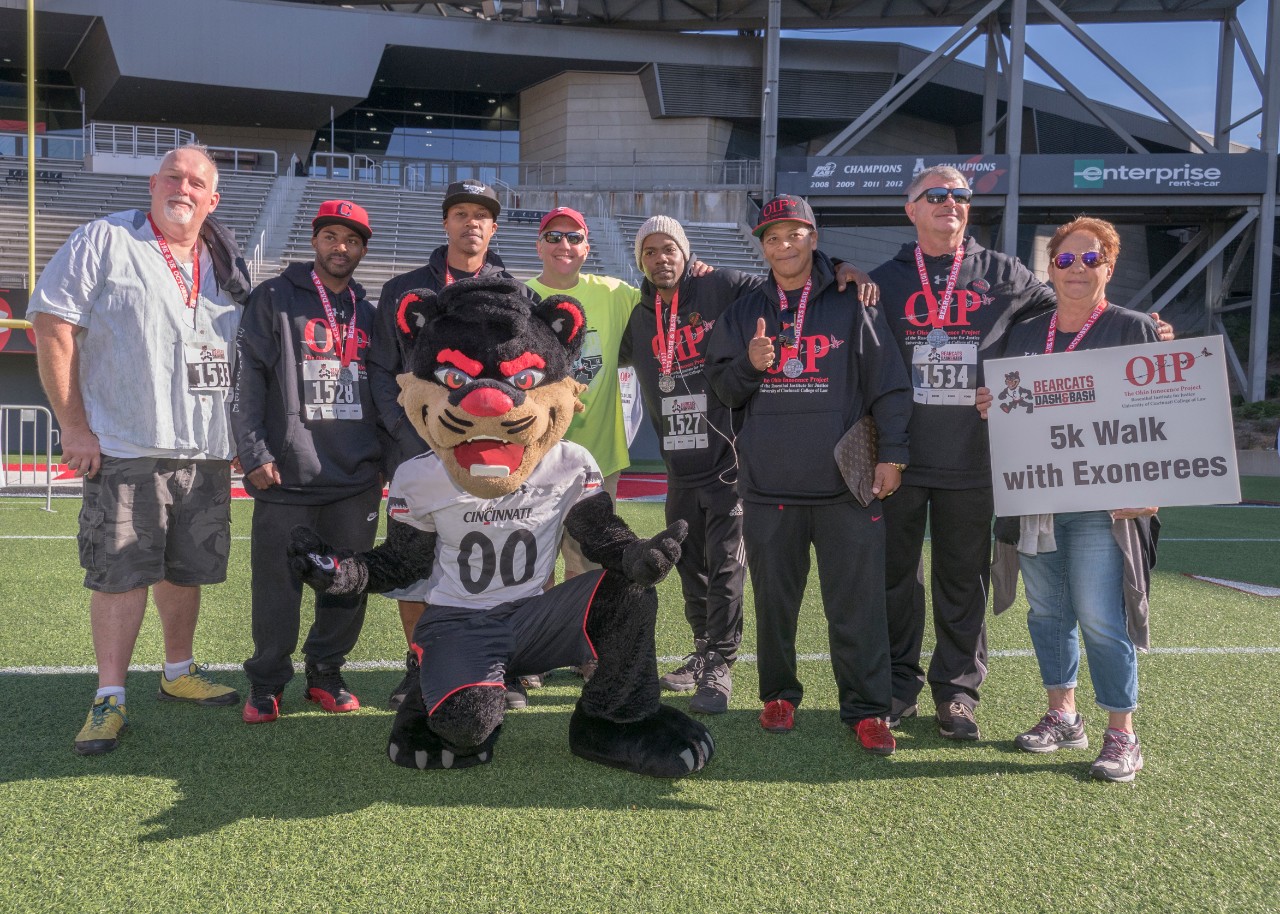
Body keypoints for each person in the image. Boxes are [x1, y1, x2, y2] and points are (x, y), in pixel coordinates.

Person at [869, 166, 1170, 741]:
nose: (950, 203)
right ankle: (895, 687)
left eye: (960, 195)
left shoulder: (1005, 273)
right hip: (901, 457)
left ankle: (957, 694)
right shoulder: (883, 280)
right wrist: (844, 271)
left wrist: (1143, 328)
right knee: (893, 581)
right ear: (911, 209)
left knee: (963, 582)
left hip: (979, 459)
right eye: (936, 196)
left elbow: (1077, 304)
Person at [29, 144, 246, 755]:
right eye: (173, 176)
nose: (184, 186)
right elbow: (51, 323)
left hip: (203, 448)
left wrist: (234, 432)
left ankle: (178, 672)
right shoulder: (106, 238)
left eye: (197, 181)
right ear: (153, 184)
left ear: (212, 198)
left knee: (187, 567)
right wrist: (73, 426)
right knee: (121, 572)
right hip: (125, 442)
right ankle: (110, 696)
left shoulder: (223, 257)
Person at [622, 215, 881, 714]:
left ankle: (720, 662)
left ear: (685, 251)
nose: (662, 258)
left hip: (729, 459)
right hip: (679, 460)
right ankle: (701, 650)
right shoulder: (638, 314)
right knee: (687, 562)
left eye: (669, 248)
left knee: (725, 565)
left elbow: (787, 275)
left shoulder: (720, 285)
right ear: (641, 261)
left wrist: (843, 266)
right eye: (650, 251)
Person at [705, 194, 911, 755]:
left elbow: (888, 383)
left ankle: (867, 709)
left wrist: (892, 455)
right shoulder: (747, 310)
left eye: (795, 234)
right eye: (772, 237)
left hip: (847, 483)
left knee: (858, 604)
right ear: (763, 246)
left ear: (813, 237)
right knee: (775, 602)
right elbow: (720, 387)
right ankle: (778, 694)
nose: (784, 245)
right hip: (771, 483)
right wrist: (751, 364)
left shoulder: (854, 299)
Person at [977, 216, 1159, 783]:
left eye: (1091, 259)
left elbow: (1159, 415)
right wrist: (993, 403)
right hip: (1037, 499)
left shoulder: (1132, 327)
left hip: (1104, 502)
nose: (1076, 269)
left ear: (1110, 266)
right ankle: (1063, 715)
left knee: (1103, 616)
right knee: (1048, 612)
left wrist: (1152, 487)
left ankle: (1122, 733)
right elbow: (1013, 402)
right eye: (1064, 260)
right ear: (1048, 267)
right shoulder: (1028, 332)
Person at [367, 179, 534, 710]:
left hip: (488, 451)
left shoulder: (517, 292)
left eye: (481, 215)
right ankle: (419, 664)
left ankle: (495, 664)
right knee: (417, 563)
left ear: (494, 227)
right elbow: (380, 366)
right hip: (418, 447)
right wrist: (403, 428)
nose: (471, 223)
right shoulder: (406, 288)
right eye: (461, 213)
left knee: (489, 557)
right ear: (446, 223)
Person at [231, 200, 383, 724]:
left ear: (363, 249)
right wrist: (252, 451)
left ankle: (326, 672)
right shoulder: (273, 298)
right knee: (278, 585)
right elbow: (247, 379)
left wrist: (386, 460)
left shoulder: (370, 312)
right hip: (287, 474)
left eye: (353, 240)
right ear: (315, 241)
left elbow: (385, 390)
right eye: (332, 237)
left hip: (356, 476)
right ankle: (268, 682)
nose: (342, 248)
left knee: (348, 583)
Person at [526, 208, 638, 586]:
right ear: (538, 245)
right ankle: (534, 644)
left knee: (586, 572)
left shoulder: (614, 293)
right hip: (532, 461)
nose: (564, 245)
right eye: (554, 236)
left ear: (587, 247)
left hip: (597, 460)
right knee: (531, 572)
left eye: (574, 237)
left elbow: (670, 300)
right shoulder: (519, 298)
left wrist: (697, 272)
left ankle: (574, 644)